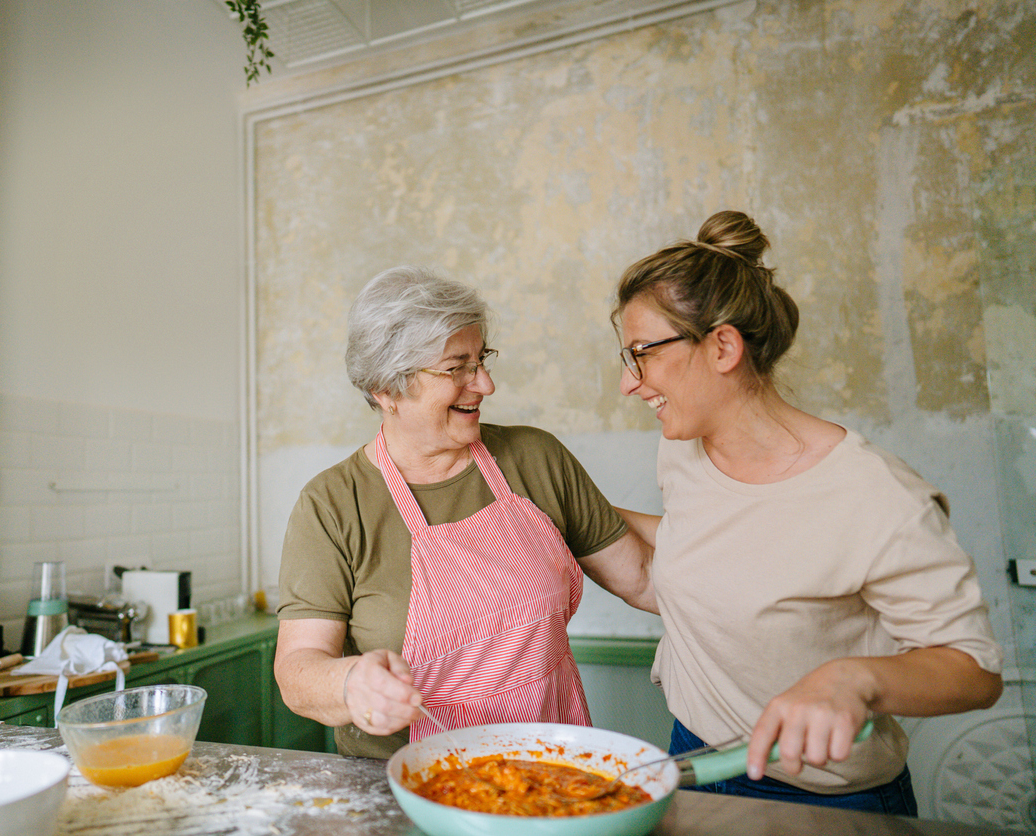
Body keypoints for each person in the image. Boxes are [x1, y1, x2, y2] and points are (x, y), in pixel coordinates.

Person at [597, 210, 1003, 814]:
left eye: (642, 354)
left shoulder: (877, 496)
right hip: (691, 760)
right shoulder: (682, 451)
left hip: (827, 801)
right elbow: (719, 543)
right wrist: (565, 509)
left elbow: (974, 670)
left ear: (724, 346)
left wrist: (854, 680)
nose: (631, 383)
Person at [274, 265, 654, 759]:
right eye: (457, 368)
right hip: (399, 789)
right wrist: (351, 683)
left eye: (482, 359)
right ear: (386, 389)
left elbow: (643, 578)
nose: (486, 384)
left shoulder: (535, 458)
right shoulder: (333, 504)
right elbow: (298, 669)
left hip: (546, 774)